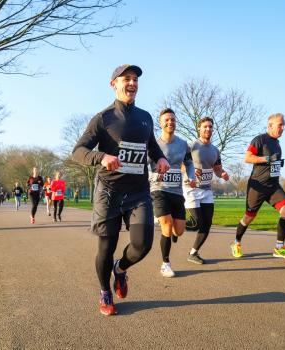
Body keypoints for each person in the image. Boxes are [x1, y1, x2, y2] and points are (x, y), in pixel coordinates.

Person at [72, 64, 169, 316]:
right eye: (126, 78)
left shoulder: (146, 117)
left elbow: (151, 147)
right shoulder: (103, 119)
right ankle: (105, 291)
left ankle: (121, 269)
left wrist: (160, 159)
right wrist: (101, 156)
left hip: (138, 193)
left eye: (135, 79)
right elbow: (78, 151)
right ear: (113, 83)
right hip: (109, 193)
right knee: (106, 247)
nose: (132, 83)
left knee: (143, 244)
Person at [230, 113, 285, 260]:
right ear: (270, 125)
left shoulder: (277, 143)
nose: (283, 128)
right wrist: (267, 158)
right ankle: (236, 242)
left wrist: (277, 163)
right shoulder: (260, 140)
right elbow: (247, 158)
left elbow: (271, 164)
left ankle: (279, 247)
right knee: (249, 217)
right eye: (280, 124)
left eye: (283, 125)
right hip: (258, 186)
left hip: (273, 186)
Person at [149, 108, 196, 278]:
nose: (170, 122)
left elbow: (189, 163)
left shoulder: (183, 144)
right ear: (160, 123)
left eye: (173, 120)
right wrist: (154, 175)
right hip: (158, 189)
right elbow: (144, 166)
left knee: (179, 230)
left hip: (177, 191)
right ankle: (165, 264)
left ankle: (173, 235)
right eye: (167, 120)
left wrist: (191, 176)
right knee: (166, 225)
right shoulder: (153, 144)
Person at [183, 117, 229, 265]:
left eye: (210, 127)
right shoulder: (191, 146)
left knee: (207, 223)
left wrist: (222, 174)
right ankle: (175, 225)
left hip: (207, 190)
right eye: (205, 127)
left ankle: (193, 253)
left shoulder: (215, 150)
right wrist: (190, 170)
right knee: (196, 223)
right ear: (199, 128)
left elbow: (216, 169)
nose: (208, 129)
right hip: (191, 189)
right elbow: (180, 165)